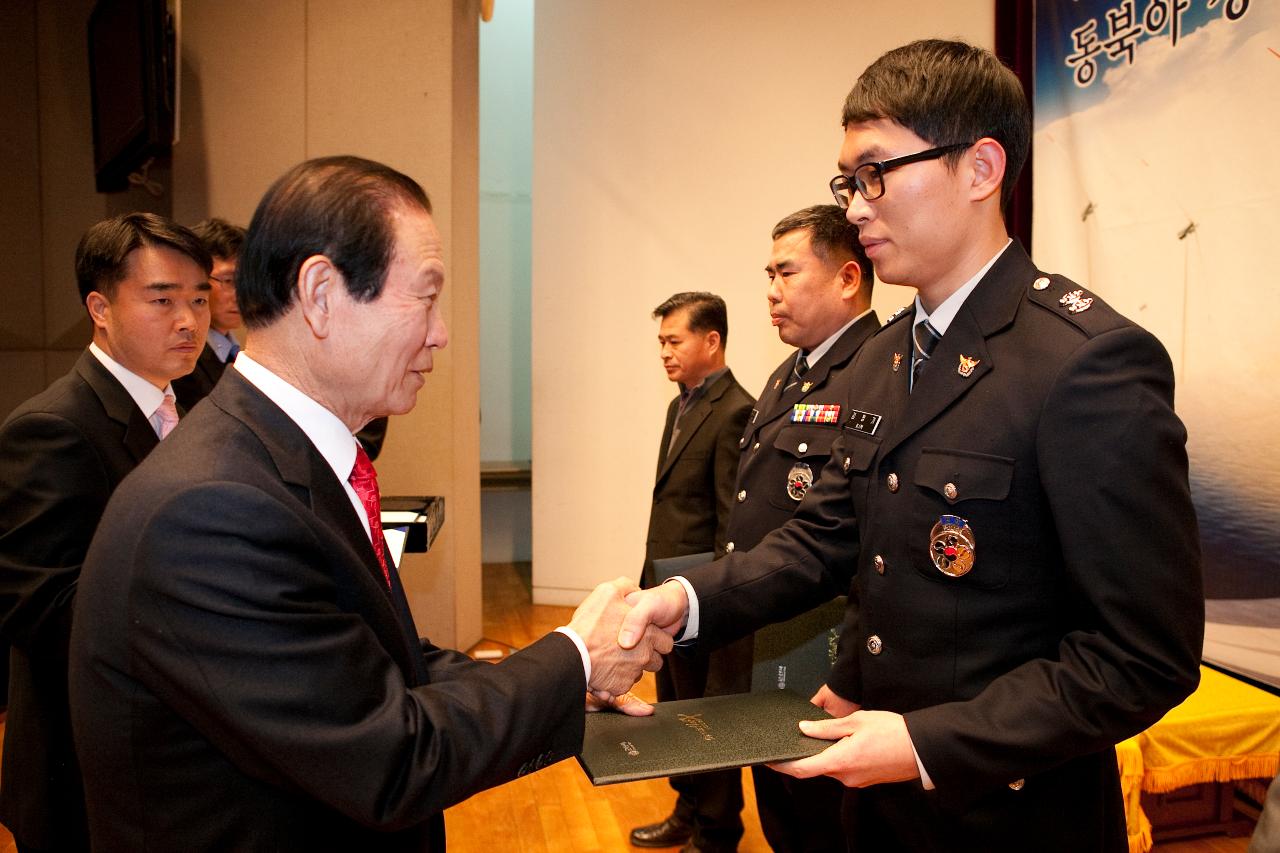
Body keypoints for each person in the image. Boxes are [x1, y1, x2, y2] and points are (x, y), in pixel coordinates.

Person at [620, 39, 1203, 852]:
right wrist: (681, 605)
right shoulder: (886, 358)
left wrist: (929, 743)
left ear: (980, 169)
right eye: (847, 183)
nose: (855, 207)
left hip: (1012, 817)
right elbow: (829, 535)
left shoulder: (1085, 361)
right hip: (878, 806)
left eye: (875, 173)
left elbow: (1144, 656)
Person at [68, 156, 670, 852]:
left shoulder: (281, 457)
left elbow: (379, 660)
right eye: (427, 296)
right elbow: (389, 759)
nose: (441, 332)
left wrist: (567, 681)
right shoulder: (214, 509)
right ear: (321, 292)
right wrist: (575, 658)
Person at [0, 213, 212, 853]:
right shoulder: (53, 428)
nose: (189, 320)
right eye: (162, 299)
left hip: (171, 749)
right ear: (100, 307)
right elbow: (44, 610)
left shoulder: (191, 397)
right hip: (89, 764)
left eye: (200, 298)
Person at [735, 205, 878, 853]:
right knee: (782, 807)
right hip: (773, 633)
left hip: (824, 645)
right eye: (769, 272)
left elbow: (872, 540)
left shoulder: (878, 370)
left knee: (826, 817)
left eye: (787, 271)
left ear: (848, 278)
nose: (771, 289)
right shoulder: (790, 371)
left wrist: (849, 668)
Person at [630, 292, 753, 853]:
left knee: (708, 717)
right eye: (660, 341)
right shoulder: (678, 404)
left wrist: (714, 599)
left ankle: (718, 831)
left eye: (674, 340)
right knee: (677, 709)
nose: (663, 352)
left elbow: (730, 517)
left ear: (712, 341)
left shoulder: (735, 411)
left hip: (701, 597)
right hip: (666, 587)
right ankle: (687, 810)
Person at [172, 218, 244, 409]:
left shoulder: (237, 353)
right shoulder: (181, 358)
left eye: (246, 281)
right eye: (229, 280)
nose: (242, 293)